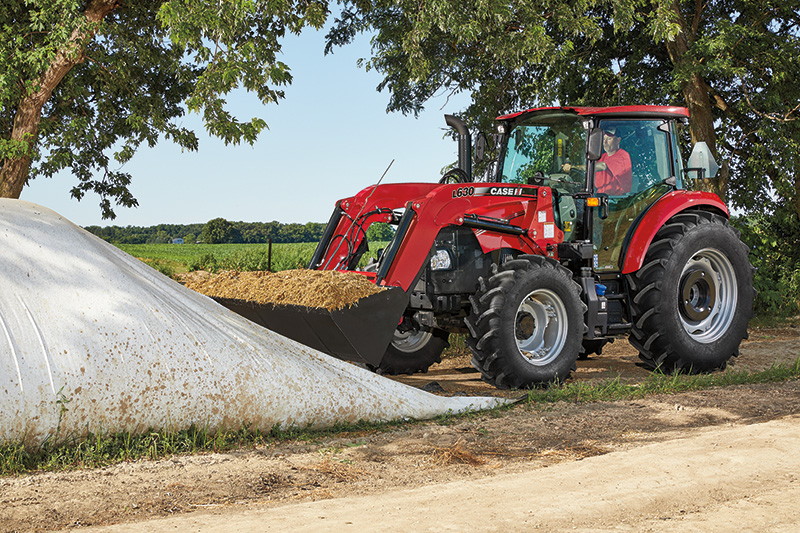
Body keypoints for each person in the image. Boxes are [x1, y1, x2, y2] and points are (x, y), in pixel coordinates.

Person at [562, 126, 632, 195]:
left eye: (609, 139)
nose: (605, 142)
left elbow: (601, 166)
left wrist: (573, 167)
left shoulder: (622, 155)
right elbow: (591, 173)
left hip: (616, 199)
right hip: (600, 196)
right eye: (604, 139)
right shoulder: (602, 157)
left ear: (618, 140)